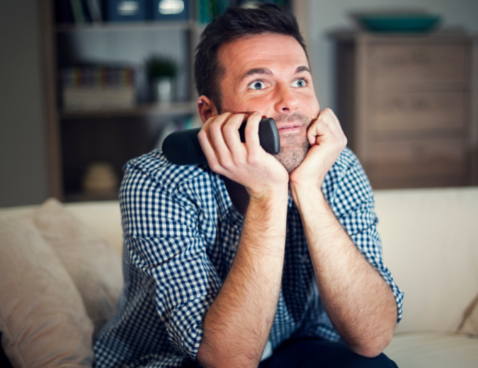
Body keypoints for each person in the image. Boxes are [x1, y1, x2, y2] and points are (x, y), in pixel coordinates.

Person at [94, 4, 403, 368]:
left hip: (294, 344)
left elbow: (372, 338)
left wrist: (307, 189)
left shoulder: (334, 163)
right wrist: (267, 194)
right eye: (259, 84)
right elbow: (228, 360)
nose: (290, 101)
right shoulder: (156, 181)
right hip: (179, 360)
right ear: (210, 114)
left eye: (300, 81)